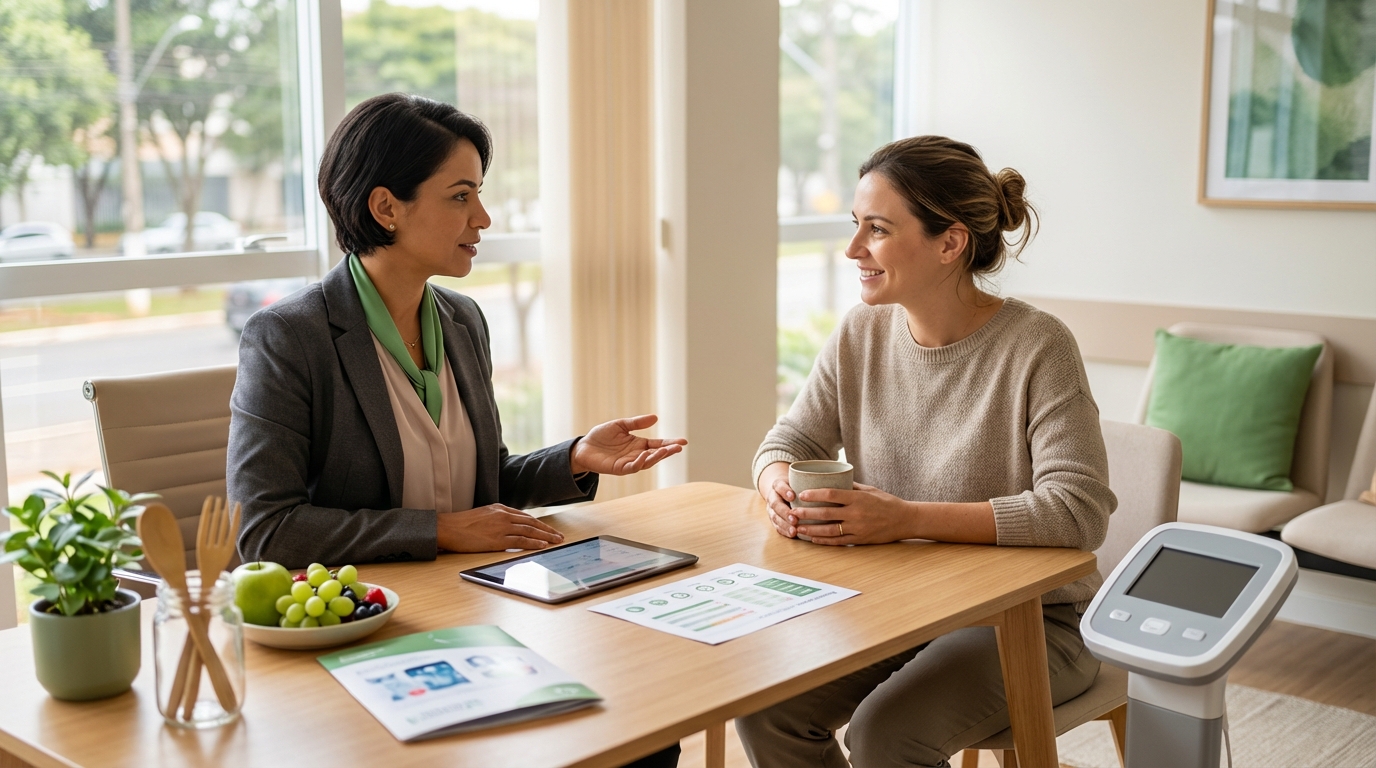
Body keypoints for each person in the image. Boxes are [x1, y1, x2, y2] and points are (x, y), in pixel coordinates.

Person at [229, 93, 684, 768]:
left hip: (468, 612)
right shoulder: (290, 337)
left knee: (643, 735)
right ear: (387, 208)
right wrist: (441, 531)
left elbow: (479, 483)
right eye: (460, 196)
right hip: (365, 639)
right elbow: (265, 529)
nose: (484, 218)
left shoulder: (462, 320)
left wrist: (577, 458)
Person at [738, 136, 1116, 768]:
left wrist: (907, 518)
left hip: (1034, 623)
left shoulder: (1038, 345)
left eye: (878, 230)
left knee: (887, 733)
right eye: (855, 226)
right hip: (905, 610)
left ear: (950, 242)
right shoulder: (862, 333)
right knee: (768, 707)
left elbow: (1078, 512)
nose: (854, 249)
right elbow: (788, 441)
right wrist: (777, 483)